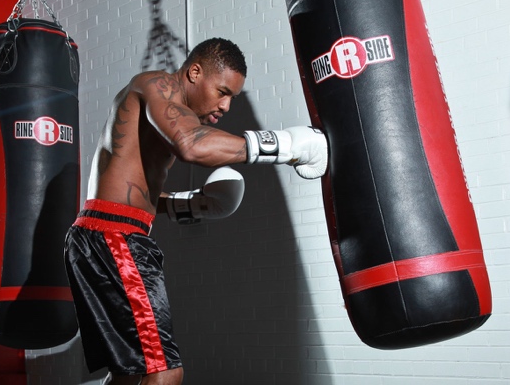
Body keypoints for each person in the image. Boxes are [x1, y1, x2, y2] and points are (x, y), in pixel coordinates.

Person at [64, 38, 328, 385]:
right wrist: (287, 145)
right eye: (222, 91)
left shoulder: (163, 113)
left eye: (231, 96)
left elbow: (129, 193)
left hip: (104, 234)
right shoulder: (156, 85)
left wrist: (187, 204)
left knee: (131, 372)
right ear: (194, 72)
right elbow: (193, 145)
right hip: (115, 239)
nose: (226, 105)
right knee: (165, 373)